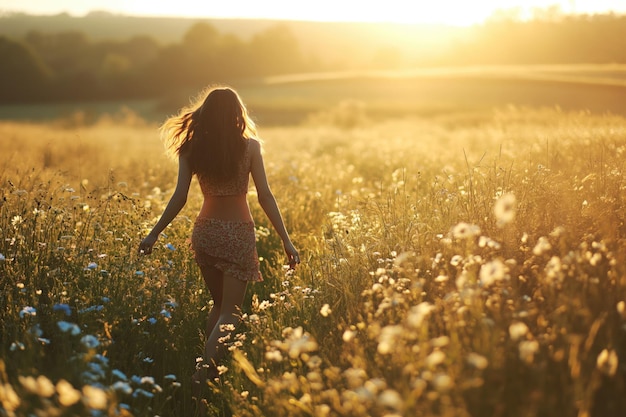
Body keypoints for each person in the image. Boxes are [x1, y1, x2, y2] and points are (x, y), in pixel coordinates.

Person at [137, 85, 299, 401]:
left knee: (219, 306)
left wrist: (154, 232)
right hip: (238, 232)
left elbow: (180, 196)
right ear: (238, 115)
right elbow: (265, 195)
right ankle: (202, 376)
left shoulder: (192, 149)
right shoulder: (250, 148)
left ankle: (206, 377)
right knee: (231, 313)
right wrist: (286, 241)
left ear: (206, 114)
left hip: (206, 232)